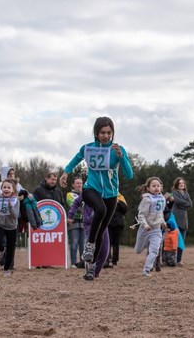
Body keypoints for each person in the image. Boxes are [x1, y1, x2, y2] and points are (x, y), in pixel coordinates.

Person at [60, 116, 134, 281]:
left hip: (111, 194)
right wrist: (66, 171)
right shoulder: (87, 148)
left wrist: (122, 157)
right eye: (102, 132)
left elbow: (129, 175)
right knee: (100, 209)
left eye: (109, 133)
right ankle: (89, 245)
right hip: (91, 189)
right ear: (96, 133)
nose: (106, 136)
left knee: (101, 231)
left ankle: (91, 268)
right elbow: (76, 159)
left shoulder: (117, 149)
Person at [68, 194, 109, 279]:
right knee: (91, 249)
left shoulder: (107, 190)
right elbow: (76, 202)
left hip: (103, 224)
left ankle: (95, 272)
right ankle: (89, 271)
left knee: (104, 251)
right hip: (89, 223)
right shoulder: (88, 190)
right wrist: (71, 215)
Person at [134, 177, 167, 277]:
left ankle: (147, 270)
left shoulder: (162, 198)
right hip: (145, 229)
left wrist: (163, 222)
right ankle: (144, 244)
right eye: (154, 186)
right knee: (138, 251)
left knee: (155, 250)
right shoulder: (147, 199)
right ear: (148, 188)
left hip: (156, 229)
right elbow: (141, 215)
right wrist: (145, 225)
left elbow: (160, 213)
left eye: (158, 186)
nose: (156, 188)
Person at [166, 177, 192, 265]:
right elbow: (177, 201)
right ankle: (171, 259)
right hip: (176, 218)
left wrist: (182, 204)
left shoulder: (186, 193)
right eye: (180, 183)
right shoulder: (174, 193)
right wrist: (184, 204)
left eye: (183, 183)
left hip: (184, 220)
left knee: (181, 241)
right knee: (173, 241)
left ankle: (179, 260)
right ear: (177, 184)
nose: (182, 184)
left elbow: (190, 204)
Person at [65, 178, 85, 268]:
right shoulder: (70, 194)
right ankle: (73, 263)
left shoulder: (86, 194)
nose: (79, 185)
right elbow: (73, 205)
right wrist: (84, 210)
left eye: (81, 183)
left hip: (84, 222)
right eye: (77, 183)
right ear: (73, 185)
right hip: (73, 221)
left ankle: (83, 262)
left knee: (83, 243)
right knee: (74, 242)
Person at [107, 192, 127, 267]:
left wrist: (118, 202)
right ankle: (107, 259)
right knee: (108, 242)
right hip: (108, 223)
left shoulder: (120, 197)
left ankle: (115, 260)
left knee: (116, 243)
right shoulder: (105, 195)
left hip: (118, 223)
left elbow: (125, 210)